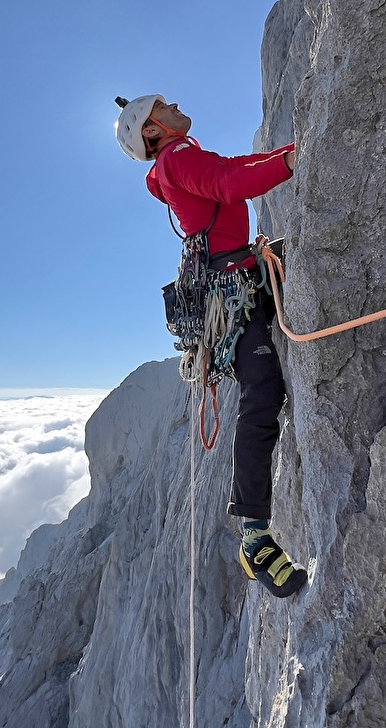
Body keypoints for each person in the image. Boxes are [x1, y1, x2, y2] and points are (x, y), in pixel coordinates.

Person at [115, 93, 306, 598]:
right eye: (162, 104)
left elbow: (234, 168)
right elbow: (229, 181)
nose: (174, 103)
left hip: (240, 280)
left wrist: (294, 148)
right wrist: (290, 160)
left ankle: (255, 531)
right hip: (234, 292)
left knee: (264, 391)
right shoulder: (175, 158)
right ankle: (253, 537)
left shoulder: (179, 159)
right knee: (261, 393)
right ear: (151, 131)